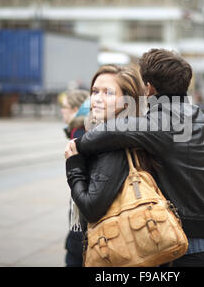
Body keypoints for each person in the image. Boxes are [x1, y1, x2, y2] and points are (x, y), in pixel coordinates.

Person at [66, 49, 204, 267]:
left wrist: (77, 147)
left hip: (173, 247)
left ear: (149, 87)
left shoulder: (160, 120)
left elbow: (112, 132)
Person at [64, 65, 158, 266]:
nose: (97, 98)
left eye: (108, 93)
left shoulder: (114, 145)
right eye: (95, 91)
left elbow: (91, 208)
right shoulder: (108, 135)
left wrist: (74, 166)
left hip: (113, 251)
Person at [60, 89, 90, 267]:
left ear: (75, 109)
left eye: (64, 107)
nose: (61, 111)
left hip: (82, 223)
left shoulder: (79, 135)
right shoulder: (78, 132)